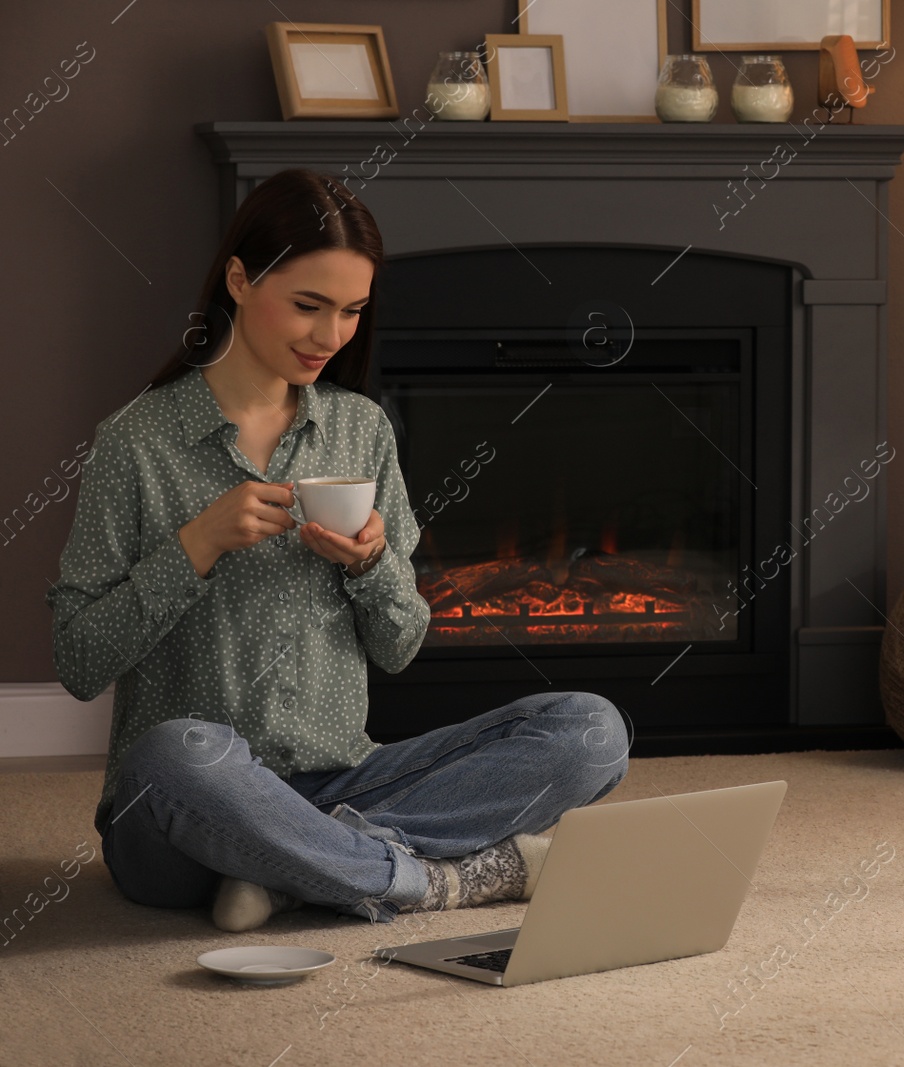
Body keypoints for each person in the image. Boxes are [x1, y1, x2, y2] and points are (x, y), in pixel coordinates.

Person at [46, 169, 630, 932]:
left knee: (591, 730)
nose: (332, 337)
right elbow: (78, 659)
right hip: (184, 812)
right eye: (309, 306)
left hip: (340, 780)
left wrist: (368, 566)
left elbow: (399, 646)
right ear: (238, 279)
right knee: (172, 754)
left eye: (353, 311)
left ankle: (299, 870)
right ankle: (426, 879)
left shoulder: (362, 430)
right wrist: (196, 544)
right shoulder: (136, 442)